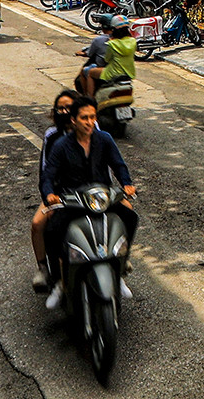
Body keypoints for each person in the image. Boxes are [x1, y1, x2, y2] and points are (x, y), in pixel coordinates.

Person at [35, 96, 136, 308]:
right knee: (52, 230)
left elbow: (119, 165)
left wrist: (127, 184)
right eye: (84, 118)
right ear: (74, 120)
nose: (89, 122)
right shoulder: (61, 145)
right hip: (72, 199)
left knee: (130, 216)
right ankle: (60, 282)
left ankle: (120, 265)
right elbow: (48, 175)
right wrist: (49, 195)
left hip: (102, 197)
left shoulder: (105, 139)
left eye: (92, 117)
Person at [29, 89, 80, 292]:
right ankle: (44, 269)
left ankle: (119, 263)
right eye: (60, 108)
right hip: (59, 194)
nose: (64, 111)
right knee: (38, 223)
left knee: (124, 210)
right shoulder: (52, 135)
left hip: (89, 191)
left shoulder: (91, 128)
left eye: (68, 107)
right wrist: (49, 198)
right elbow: (45, 172)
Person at [76, 15, 136, 100]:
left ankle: (90, 99)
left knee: (90, 73)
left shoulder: (112, 44)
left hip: (113, 72)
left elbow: (107, 59)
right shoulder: (133, 41)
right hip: (129, 73)